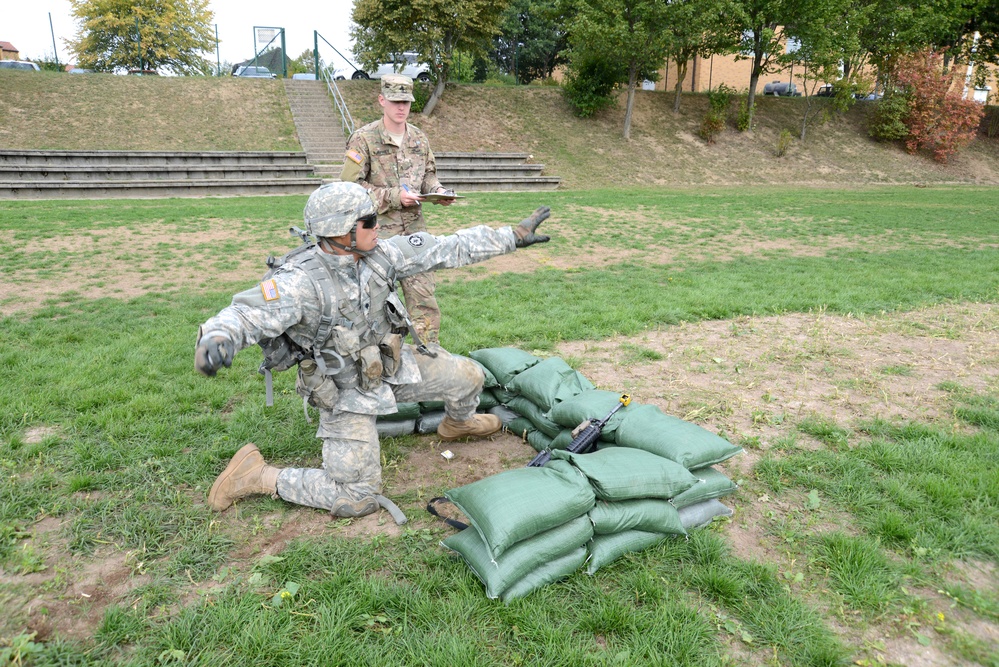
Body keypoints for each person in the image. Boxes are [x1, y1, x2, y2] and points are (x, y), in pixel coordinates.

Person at [195, 181, 551, 520]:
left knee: (469, 377)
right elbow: (244, 313)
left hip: (389, 367)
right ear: (339, 231)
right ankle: (257, 475)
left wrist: (511, 237)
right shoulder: (299, 284)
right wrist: (217, 338)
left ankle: (457, 424)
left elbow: (447, 247)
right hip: (343, 392)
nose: (377, 226)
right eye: (368, 222)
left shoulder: (382, 254)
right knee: (358, 496)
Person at [340, 73, 450, 344]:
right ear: (382, 100)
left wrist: (438, 191)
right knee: (375, 307)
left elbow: (429, 175)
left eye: (407, 102)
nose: (401, 107)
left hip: (415, 235)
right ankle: (378, 365)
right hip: (376, 237)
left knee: (424, 303)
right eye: (395, 101)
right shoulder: (363, 139)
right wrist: (393, 196)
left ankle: (430, 359)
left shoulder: (419, 139)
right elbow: (349, 187)